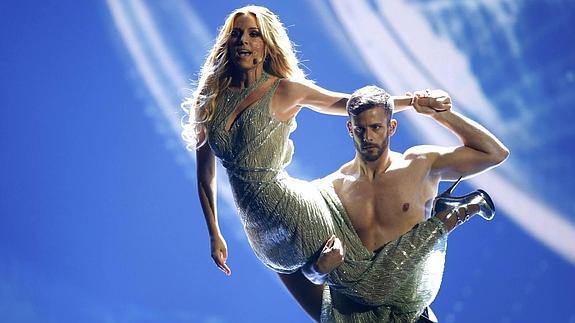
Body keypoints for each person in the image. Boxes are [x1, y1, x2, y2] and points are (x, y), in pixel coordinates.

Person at [181, 5, 464, 322]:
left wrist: (414, 101)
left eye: (253, 33)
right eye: (236, 34)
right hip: (260, 231)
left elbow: (353, 105)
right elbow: (205, 178)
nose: (243, 41)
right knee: (338, 313)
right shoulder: (210, 100)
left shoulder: (285, 90)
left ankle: (447, 217)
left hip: (294, 213)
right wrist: (214, 234)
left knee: (364, 289)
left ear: (266, 45)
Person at [302, 86, 509, 322]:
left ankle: (453, 214)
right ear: (350, 128)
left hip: (411, 312)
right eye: (360, 129)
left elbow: (494, 154)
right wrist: (319, 269)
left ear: (391, 127)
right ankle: (453, 213)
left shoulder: (419, 164)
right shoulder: (332, 188)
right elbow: (308, 272)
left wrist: (439, 114)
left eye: (376, 127)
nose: (368, 137)